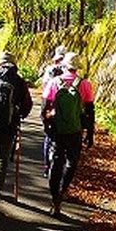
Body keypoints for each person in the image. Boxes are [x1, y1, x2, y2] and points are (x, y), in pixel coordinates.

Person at [41, 51, 95, 217]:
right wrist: (90, 133)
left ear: (63, 65)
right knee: (72, 162)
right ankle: (64, 190)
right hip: (75, 131)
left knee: (56, 164)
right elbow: (90, 111)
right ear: (77, 67)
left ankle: (55, 199)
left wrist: (48, 127)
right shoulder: (85, 85)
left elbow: (44, 109)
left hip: (57, 131)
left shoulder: (53, 82)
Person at [0, 51, 33, 214]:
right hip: (8, 127)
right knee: (2, 161)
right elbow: (27, 105)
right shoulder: (19, 81)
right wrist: (18, 115)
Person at [40, 45, 67, 177]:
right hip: (64, 111)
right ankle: (59, 169)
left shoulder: (49, 70)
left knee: (48, 137)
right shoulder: (70, 73)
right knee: (62, 139)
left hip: (51, 107)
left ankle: (46, 167)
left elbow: (44, 88)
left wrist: (43, 115)